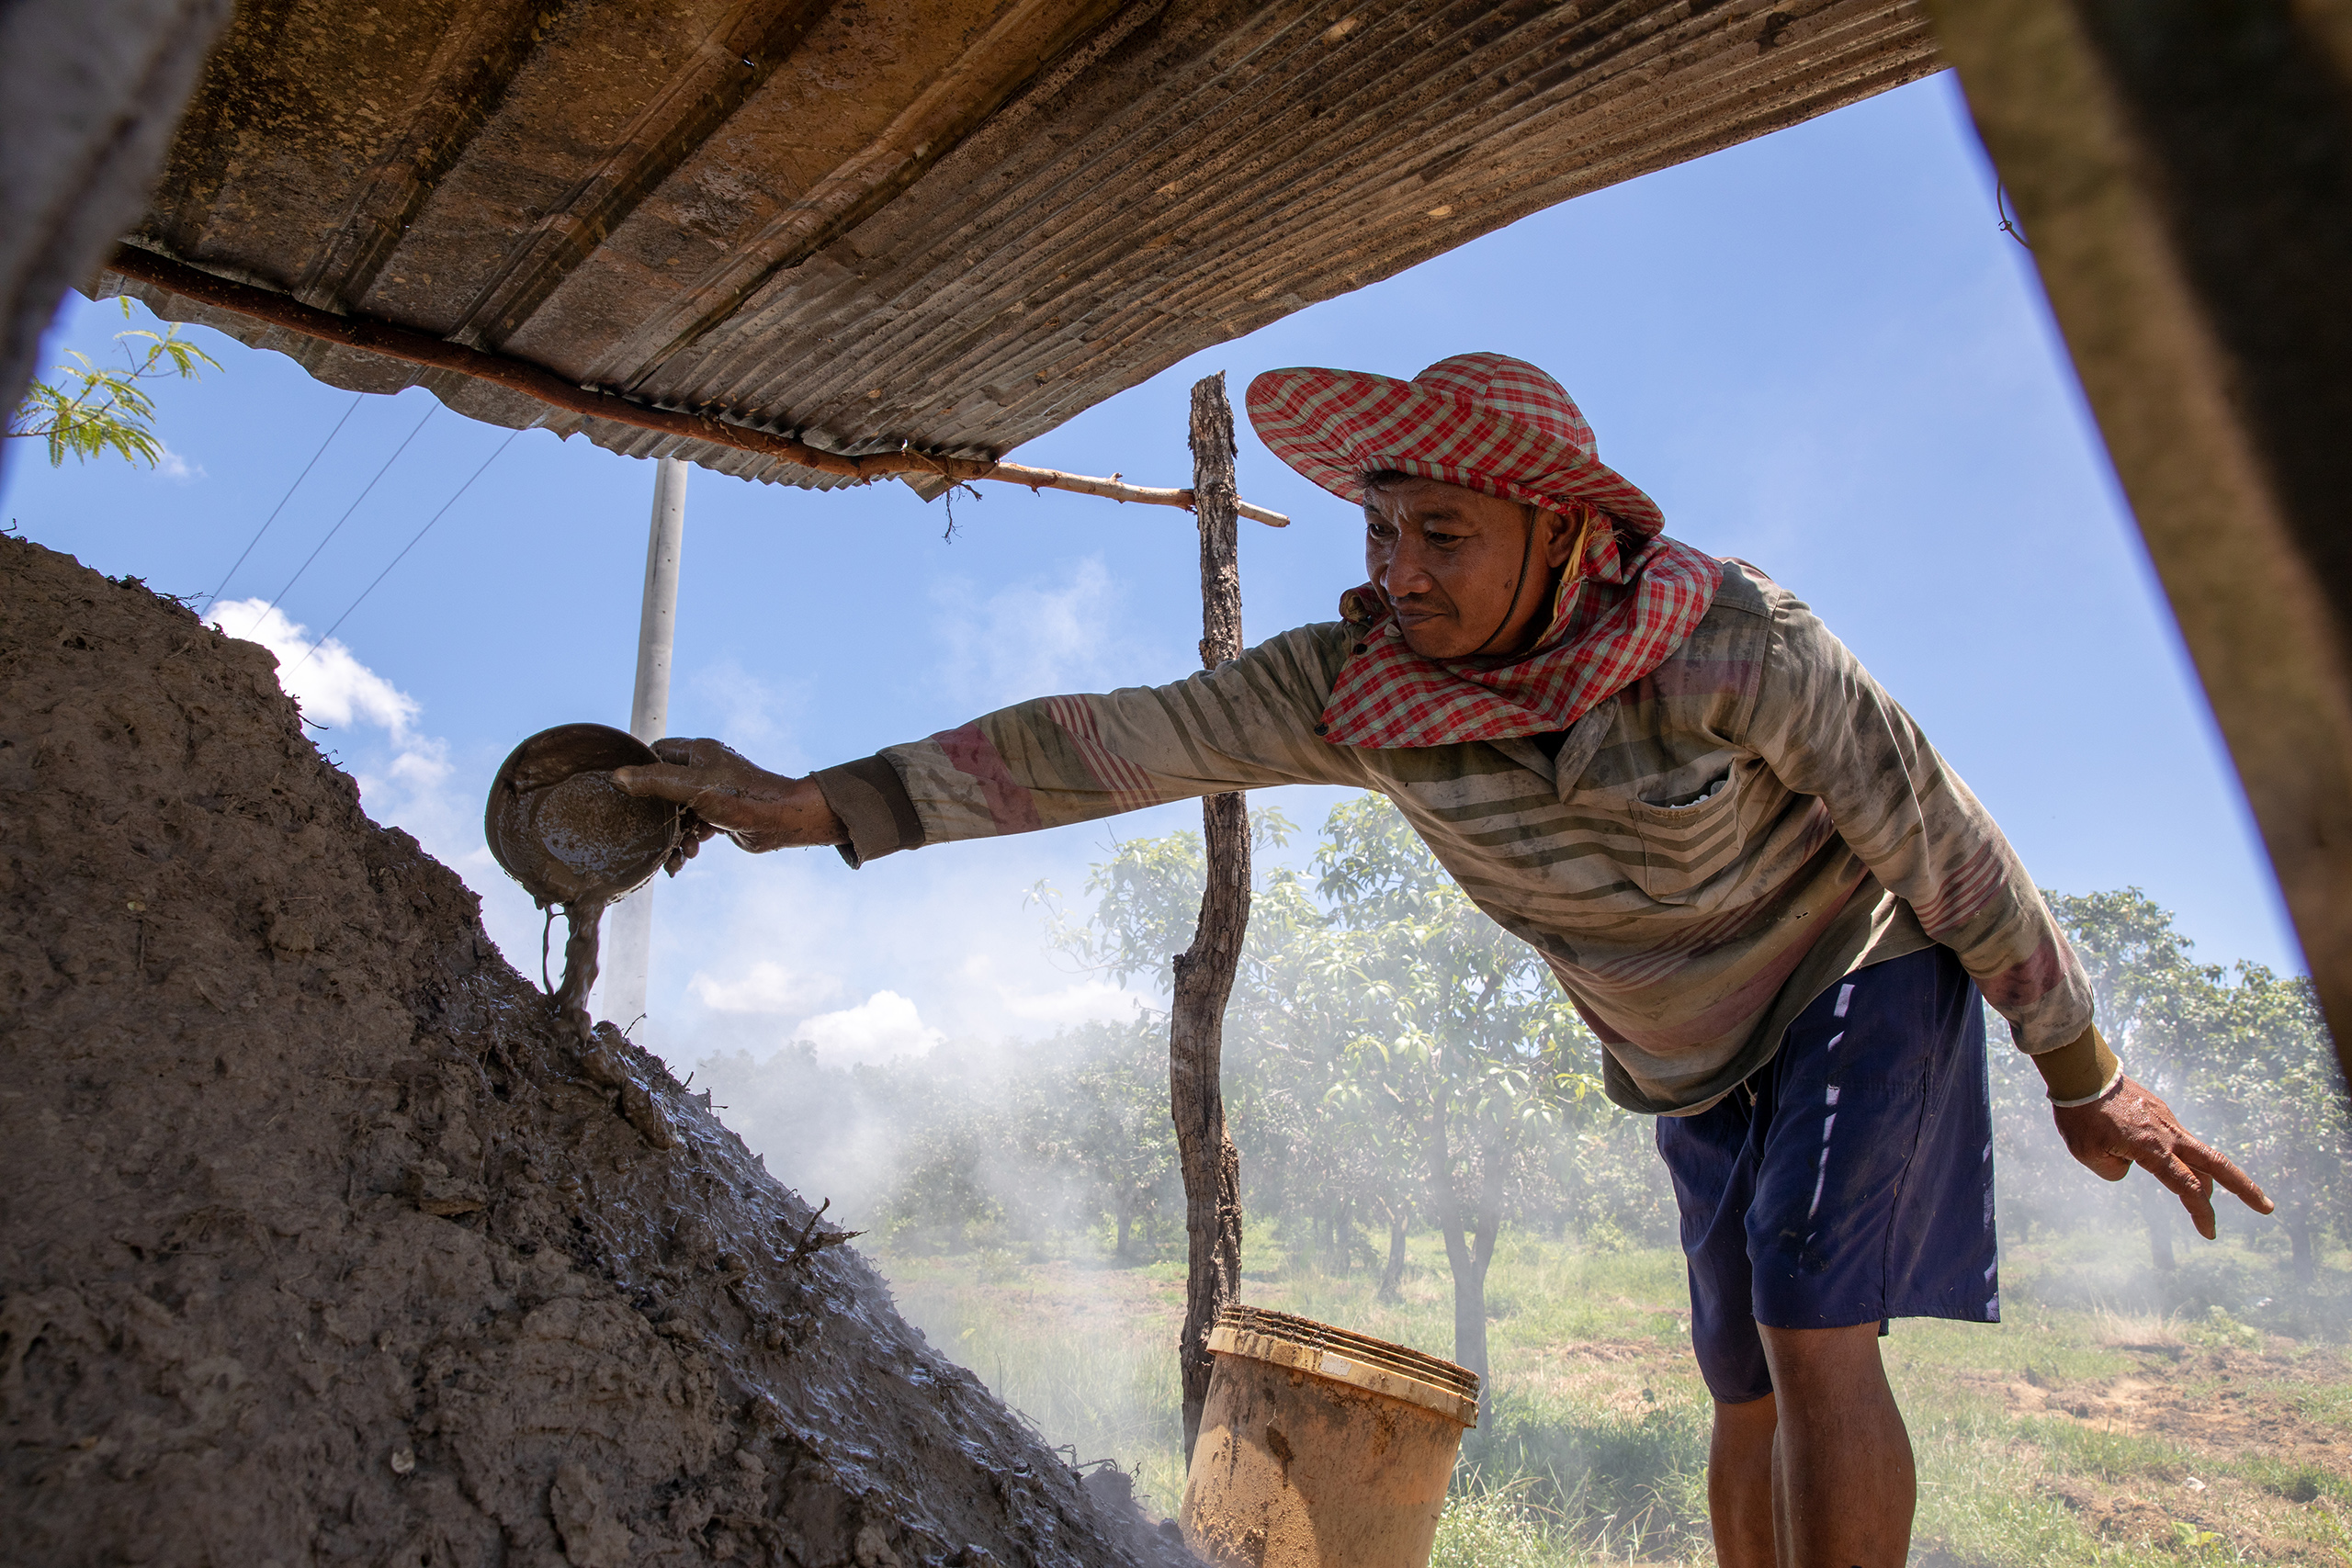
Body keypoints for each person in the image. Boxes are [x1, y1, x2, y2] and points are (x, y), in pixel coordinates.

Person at [615, 353, 2270, 1568]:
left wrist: (2084, 1072)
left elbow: (1941, 837)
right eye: (1384, 530)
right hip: (1682, 1053)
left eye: (1444, 536)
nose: (1397, 572)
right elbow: (1107, 743)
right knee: (1741, 1374)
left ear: (1561, 536)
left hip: (1856, 968)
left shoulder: (1733, 644)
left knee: (1808, 1307)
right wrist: (823, 802)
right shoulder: (1358, 688)